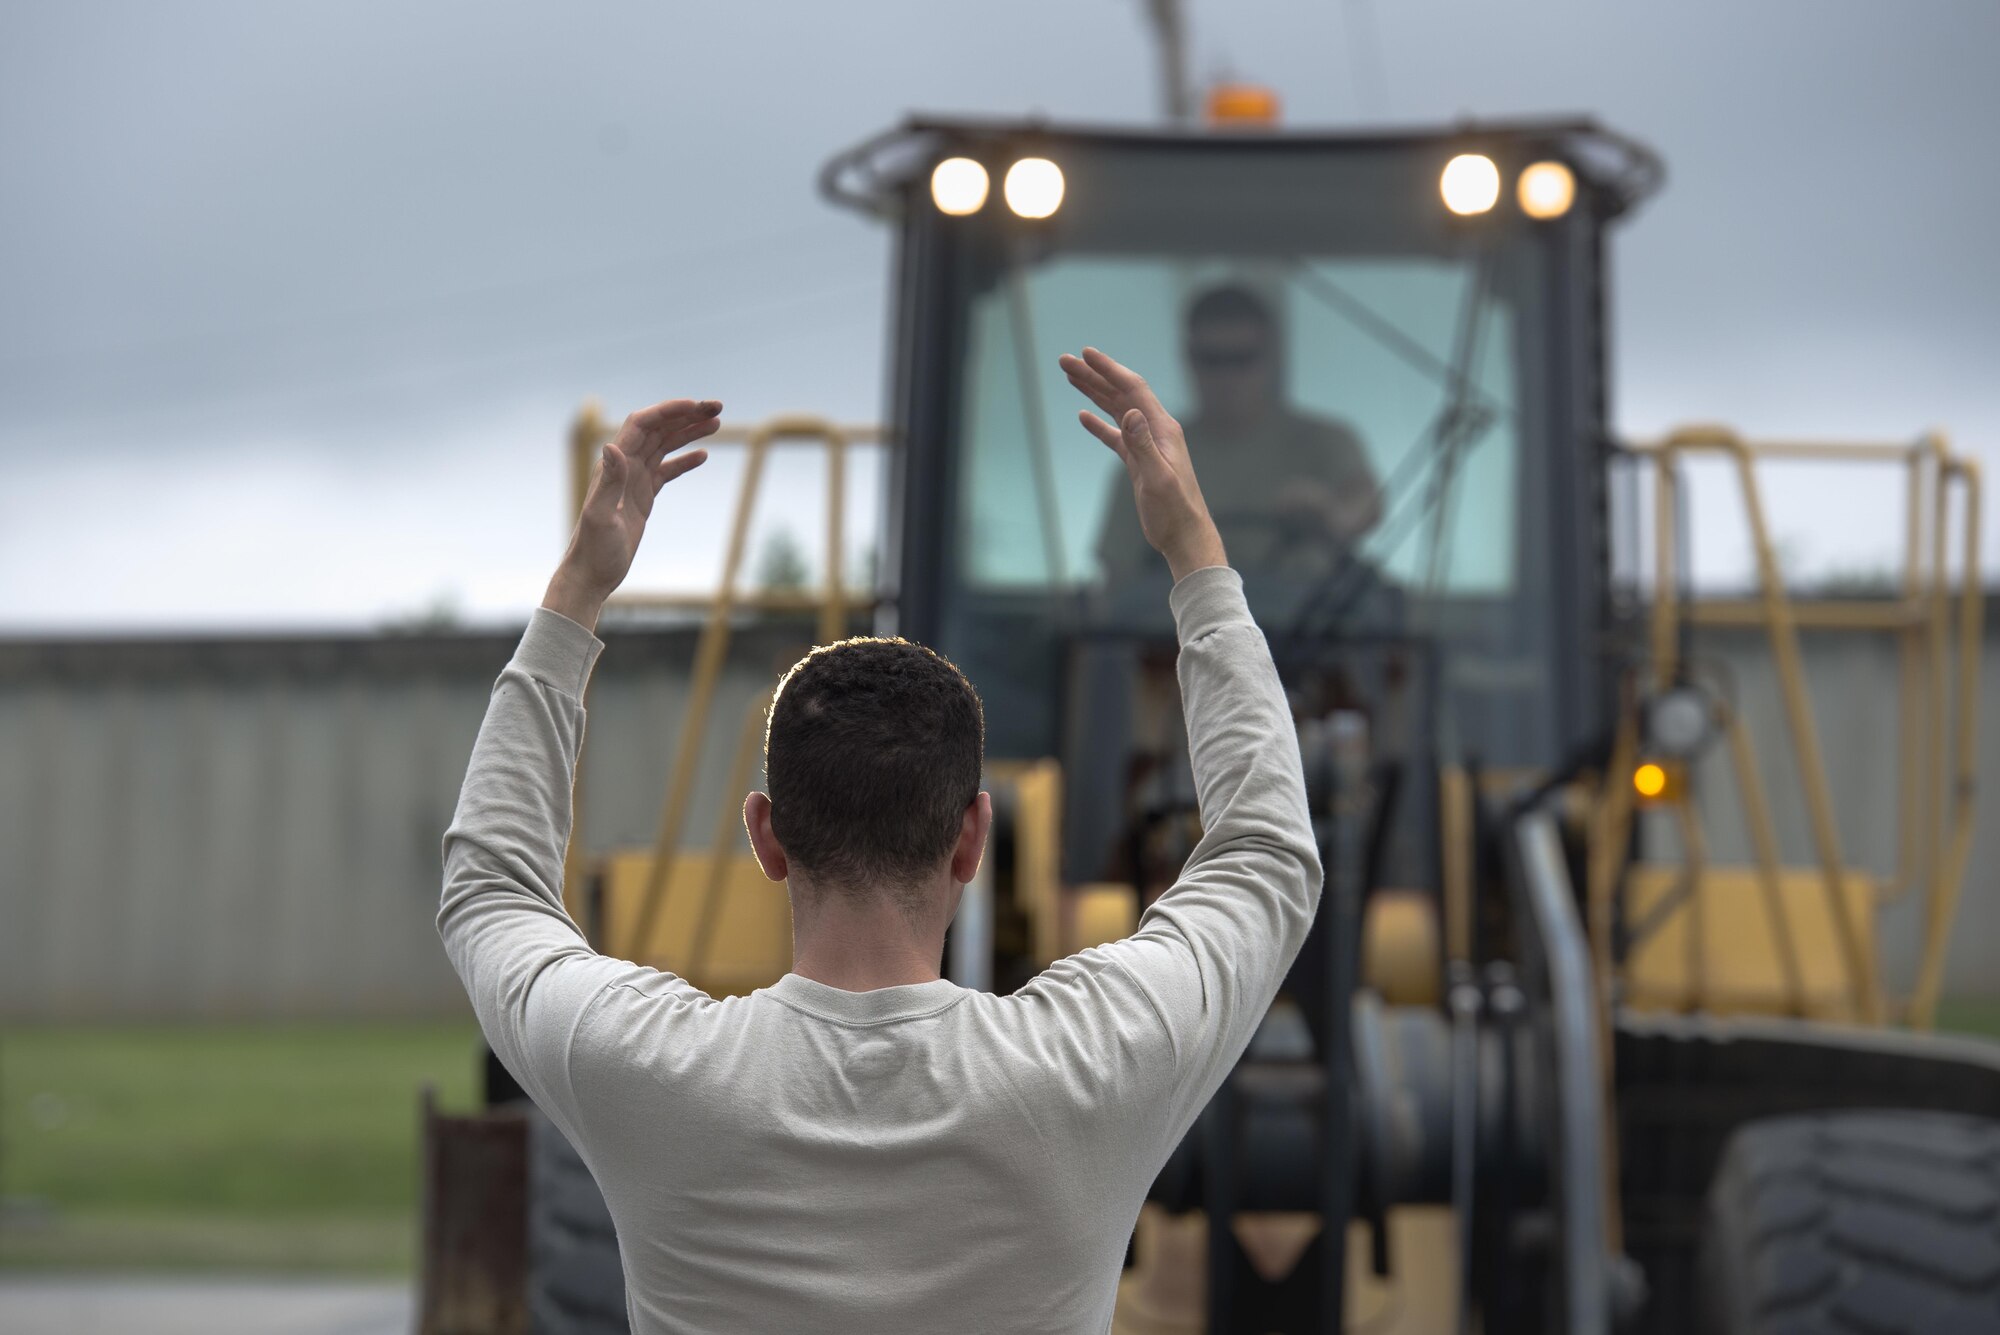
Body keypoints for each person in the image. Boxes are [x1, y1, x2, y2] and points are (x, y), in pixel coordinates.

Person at [438, 349, 1321, 1334]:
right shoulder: (1094, 1061)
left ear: (766, 836)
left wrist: (576, 595)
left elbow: (492, 895)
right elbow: (1261, 858)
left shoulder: (650, 1069)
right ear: (971, 838)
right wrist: (1193, 553)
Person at [1096, 284, 1383, 585]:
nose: (1227, 377)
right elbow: (1117, 585)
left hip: (1317, 628)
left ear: (1271, 359)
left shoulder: (1324, 443)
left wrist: (1330, 514)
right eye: (1212, 359)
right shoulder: (1150, 457)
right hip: (1178, 630)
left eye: (1242, 358)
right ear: (1189, 359)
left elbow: (1364, 503)